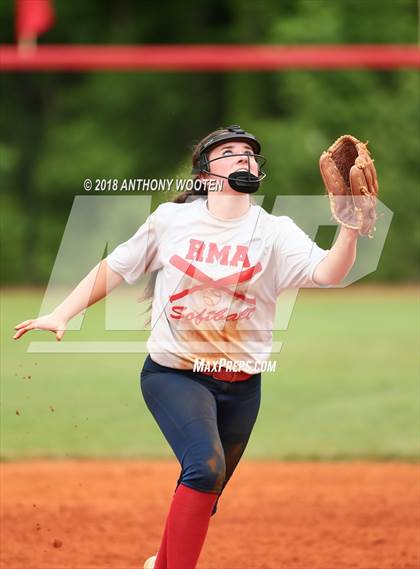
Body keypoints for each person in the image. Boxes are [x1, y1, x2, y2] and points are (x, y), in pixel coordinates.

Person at [14, 125, 362, 569]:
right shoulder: (171, 220)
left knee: (204, 490)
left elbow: (328, 273)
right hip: (174, 374)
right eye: (230, 152)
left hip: (242, 386)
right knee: (206, 469)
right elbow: (116, 267)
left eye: (250, 154)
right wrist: (62, 312)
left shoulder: (275, 231)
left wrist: (349, 230)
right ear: (204, 174)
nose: (243, 159)